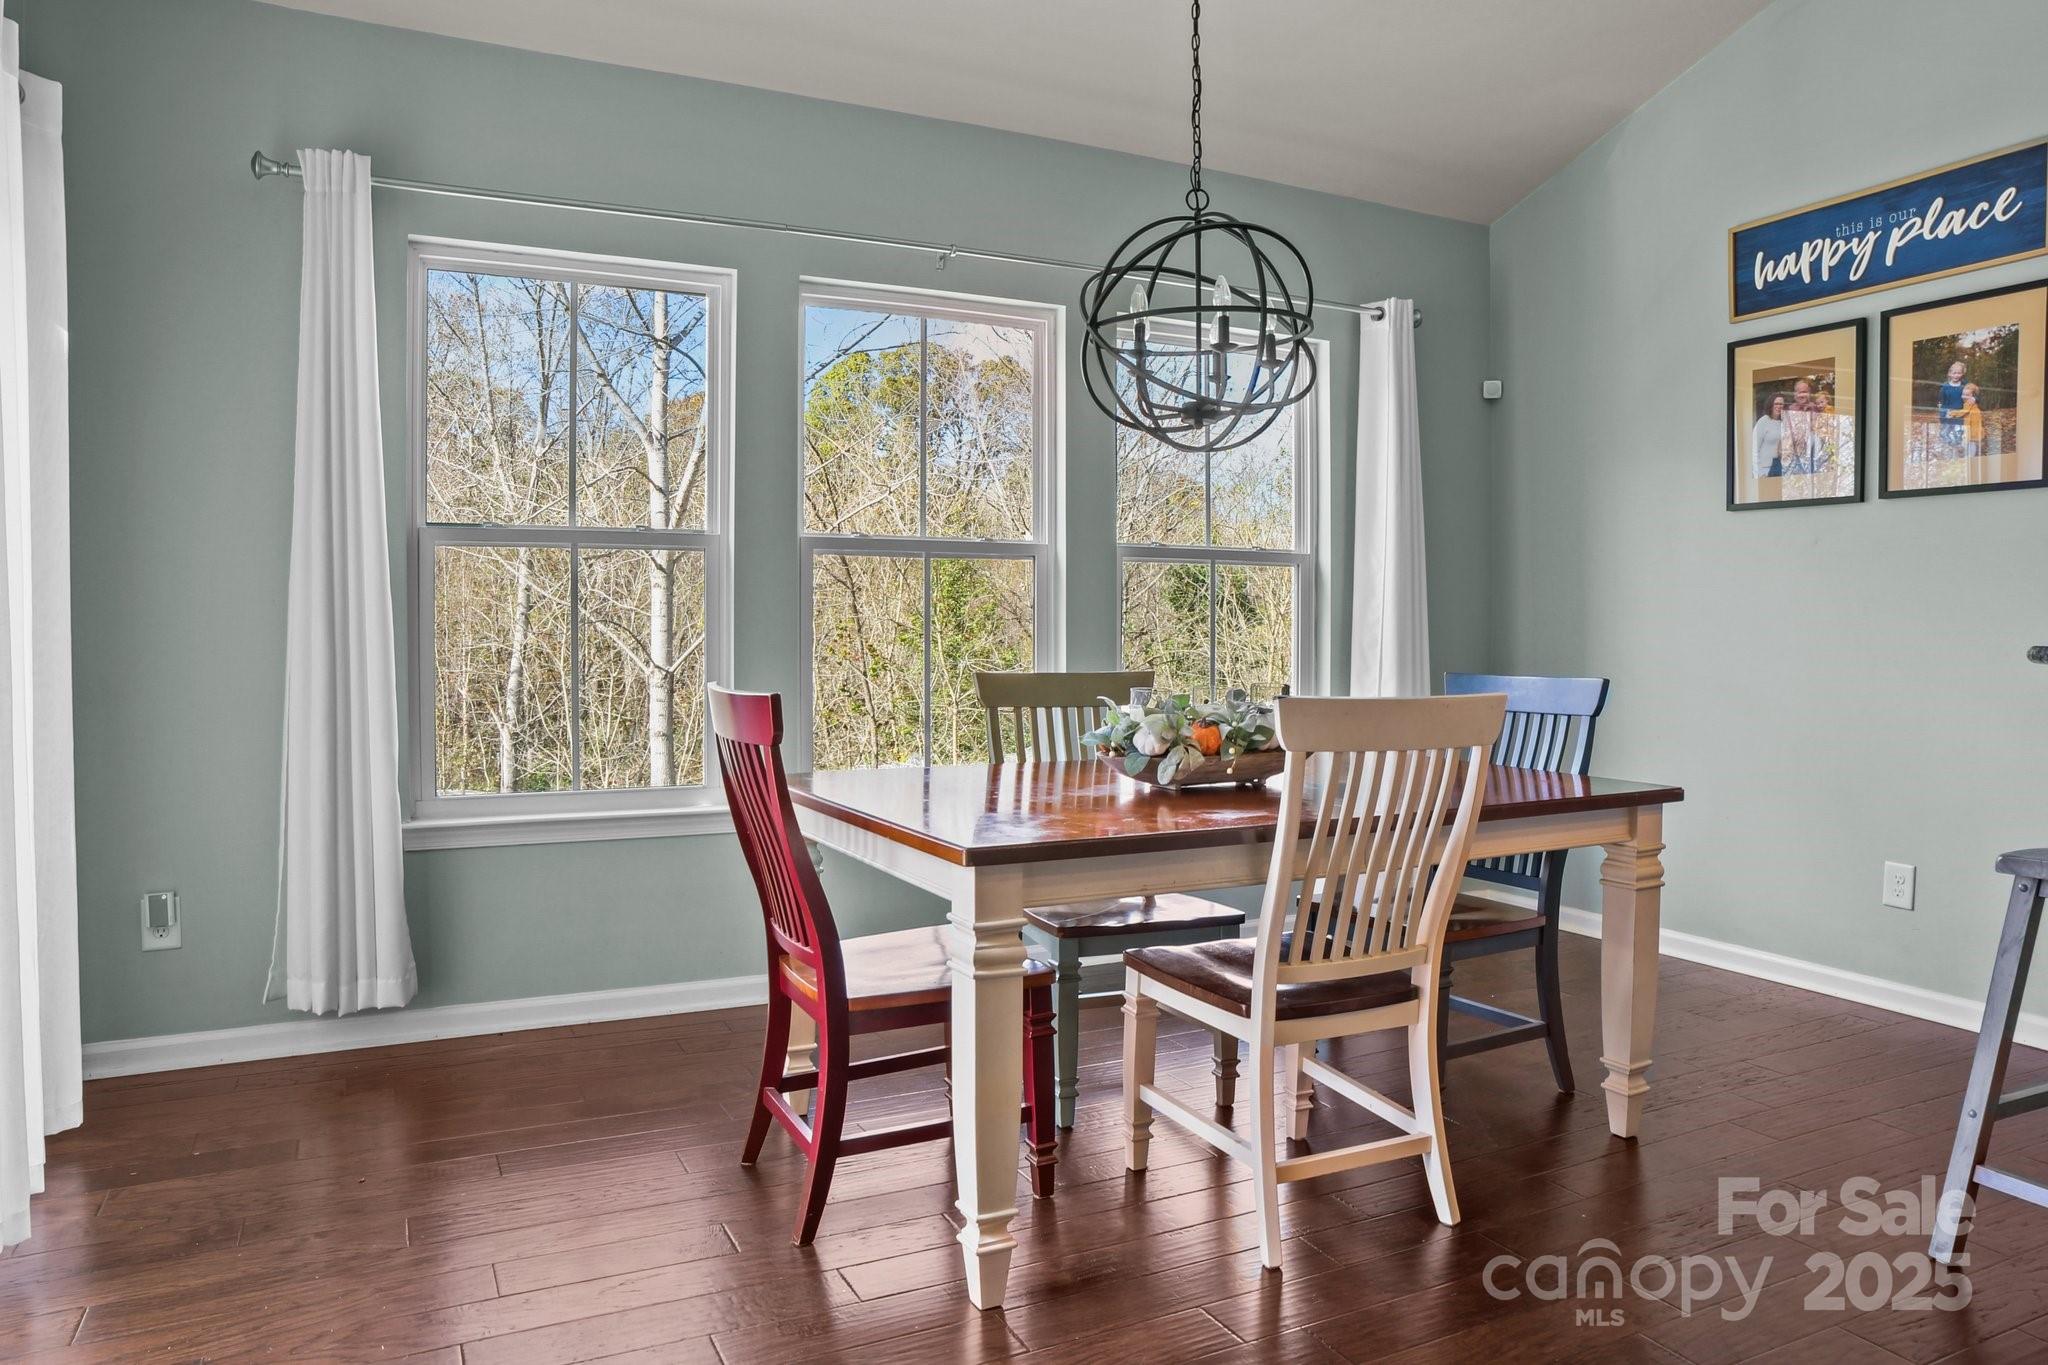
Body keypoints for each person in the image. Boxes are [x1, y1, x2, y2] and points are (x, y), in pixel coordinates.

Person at [1752, 392, 1788, 480]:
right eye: (1776, 403)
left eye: (1781, 404)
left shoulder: (1784, 422)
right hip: (1765, 470)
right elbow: (1754, 449)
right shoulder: (1763, 421)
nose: (1779, 406)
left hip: (1780, 468)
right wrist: (1758, 473)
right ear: (1771, 404)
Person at [1949, 382, 1985, 459]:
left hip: (1973, 424)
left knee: (1971, 441)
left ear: (1973, 396)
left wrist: (1953, 413)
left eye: (1967, 395)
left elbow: (1964, 412)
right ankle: (1968, 456)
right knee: (1970, 441)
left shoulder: (1969, 402)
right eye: (1963, 394)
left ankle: (1970, 457)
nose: (1964, 397)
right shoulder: (1968, 402)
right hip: (1971, 423)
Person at [1938, 360, 1967, 455]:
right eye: (1954, 373)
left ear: (1962, 374)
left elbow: (1969, 398)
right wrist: (1943, 415)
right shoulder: (1945, 387)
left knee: (1959, 431)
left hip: (1959, 413)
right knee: (1945, 432)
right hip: (1947, 413)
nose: (1956, 375)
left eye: (1959, 373)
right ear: (1950, 374)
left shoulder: (1964, 386)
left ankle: (1958, 446)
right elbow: (1941, 402)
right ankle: (1949, 446)